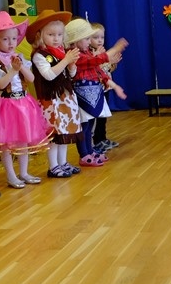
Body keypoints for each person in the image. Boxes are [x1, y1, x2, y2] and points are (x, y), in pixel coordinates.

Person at [0, 11, 51, 189]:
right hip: (5, 105)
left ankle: (24, 172)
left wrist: (20, 66)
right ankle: (11, 175)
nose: (11, 43)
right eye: (5, 39)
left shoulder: (19, 57)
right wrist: (12, 70)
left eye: (13, 38)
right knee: (6, 144)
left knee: (24, 140)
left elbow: (31, 79)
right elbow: (0, 85)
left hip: (24, 103)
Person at [27, 10, 82, 178]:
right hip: (51, 101)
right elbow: (49, 75)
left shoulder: (61, 53)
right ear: (40, 36)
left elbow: (71, 75)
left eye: (59, 34)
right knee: (54, 135)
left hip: (65, 98)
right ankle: (53, 166)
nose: (56, 38)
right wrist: (66, 61)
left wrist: (71, 65)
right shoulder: (39, 55)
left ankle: (63, 163)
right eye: (51, 34)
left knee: (64, 133)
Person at [64, 18, 125, 166]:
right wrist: (113, 50)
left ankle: (90, 151)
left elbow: (99, 71)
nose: (89, 41)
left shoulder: (86, 52)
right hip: (81, 94)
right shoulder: (75, 55)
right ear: (76, 40)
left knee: (90, 124)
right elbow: (93, 61)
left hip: (92, 92)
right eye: (86, 38)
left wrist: (114, 86)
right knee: (83, 125)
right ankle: (84, 154)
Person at [89, 22, 127, 153]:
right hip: (96, 89)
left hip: (106, 87)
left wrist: (112, 64)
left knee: (103, 117)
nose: (100, 40)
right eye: (96, 37)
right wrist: (109, 60)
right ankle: (97, 141)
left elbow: (107, 70)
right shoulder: (91, 53)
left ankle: (102, 138)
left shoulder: (102, 51)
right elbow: (97, 69)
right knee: (97, 117)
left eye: (102, 37)